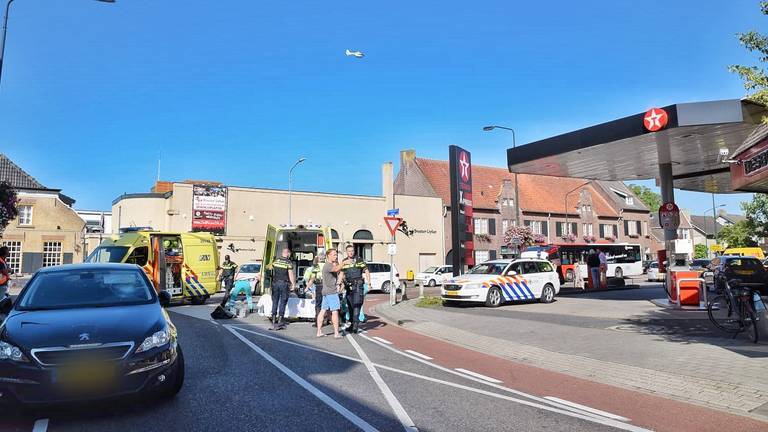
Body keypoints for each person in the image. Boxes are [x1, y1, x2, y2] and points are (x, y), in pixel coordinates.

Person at [340, 245, 372, 334]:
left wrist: (369, 283)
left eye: (352, 251)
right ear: (346, 252)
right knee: (350, 306)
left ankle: (355, 325)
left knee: (356, 305)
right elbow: (342, 274)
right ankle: (351, 324)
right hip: (348, 287)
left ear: (354, 251)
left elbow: (366, 271)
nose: (351, 252)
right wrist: (339, 285)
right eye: (349, 251)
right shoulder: (344, 261)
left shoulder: (359, 260)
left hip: (358, 286)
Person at [317, 249, 343, 339]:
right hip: (331, 292)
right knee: (335, 311)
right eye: (334, 255)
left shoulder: (329, 264)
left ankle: (319, 331)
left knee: (323, 310)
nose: (336, 256)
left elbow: (337, 270)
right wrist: (344, 263)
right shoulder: (328, 265)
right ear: (328, 255)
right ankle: (336, 333)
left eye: (336, 254)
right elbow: (336, 269)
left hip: (326, 291)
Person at [304, 254, 326, 327]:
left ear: (318, 259)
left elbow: (312, 279)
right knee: (327, 304)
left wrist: (307, 287)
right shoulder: (328, 265)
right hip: (328, 286)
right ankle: (329, 320)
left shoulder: (316, 267)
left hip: (319, 286)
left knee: (318, 304)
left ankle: (318, 322)